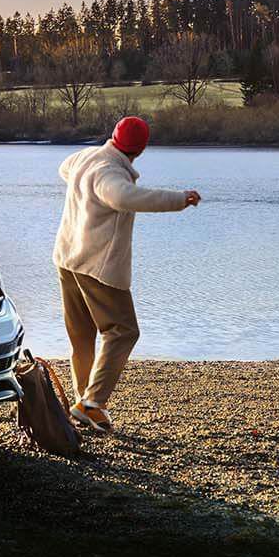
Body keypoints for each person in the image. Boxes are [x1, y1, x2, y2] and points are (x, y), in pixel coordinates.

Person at [52, 116, 200, 433]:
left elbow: (64, 168)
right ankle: (92, 404)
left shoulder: (86, 157)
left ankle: (84, 402)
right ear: (140, 150)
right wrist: (179, 199)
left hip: (67, 259)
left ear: (114, 137)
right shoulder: (110, 172)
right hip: (96, 267)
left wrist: (81, 182)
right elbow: (123, 197)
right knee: (123, 331)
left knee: (81, 336)